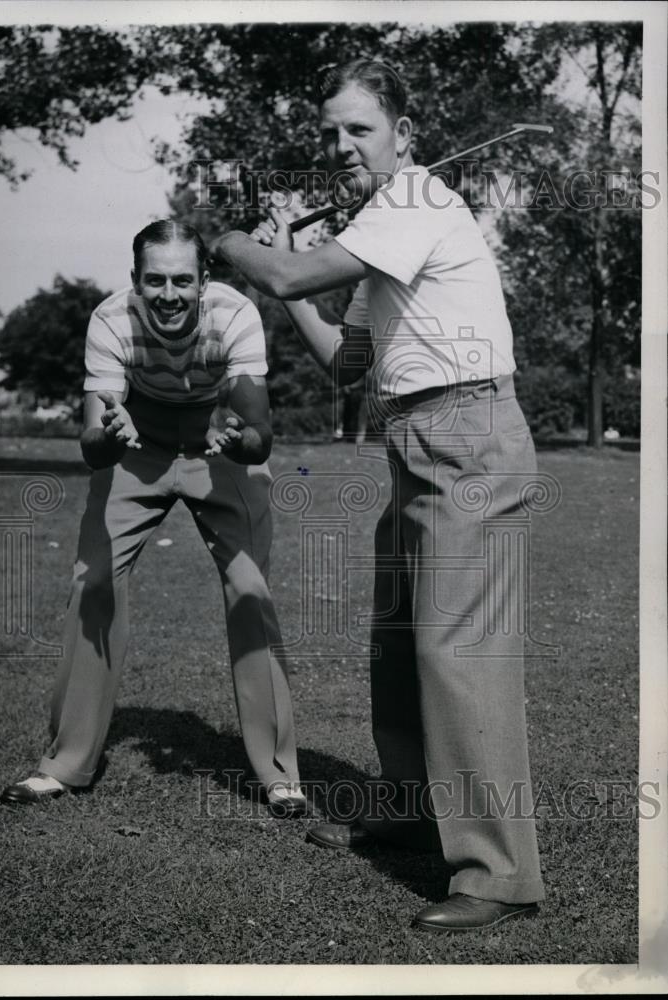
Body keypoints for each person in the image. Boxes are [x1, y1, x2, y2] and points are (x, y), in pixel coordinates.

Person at [210, 59, 545, 931]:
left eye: (359, 129)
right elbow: (346, 366)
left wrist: (240, 248)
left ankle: (498, 876)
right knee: (399, 641)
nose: (341, 145)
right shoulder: (374, 236)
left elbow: (283, 276)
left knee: (457, 651)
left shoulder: (414, 202)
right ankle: (411, 810)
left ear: (404, 135)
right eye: (330, 133)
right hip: (413, 435)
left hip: (468, 434)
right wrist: (285, 270)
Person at [1, 219, 305, 815]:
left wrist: (238, 437)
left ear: (204, 280)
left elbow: (260, 437)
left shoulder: (236, 314)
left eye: (182, 280)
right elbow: (93, 443)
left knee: (250, 590)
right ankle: (65, 764)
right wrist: (110, 436)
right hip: (136, 449)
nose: (169, 293)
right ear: (135, 282)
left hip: (216, 450)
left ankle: (279, 773)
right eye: (155, 280)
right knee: (94, 583)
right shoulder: (111, 319)